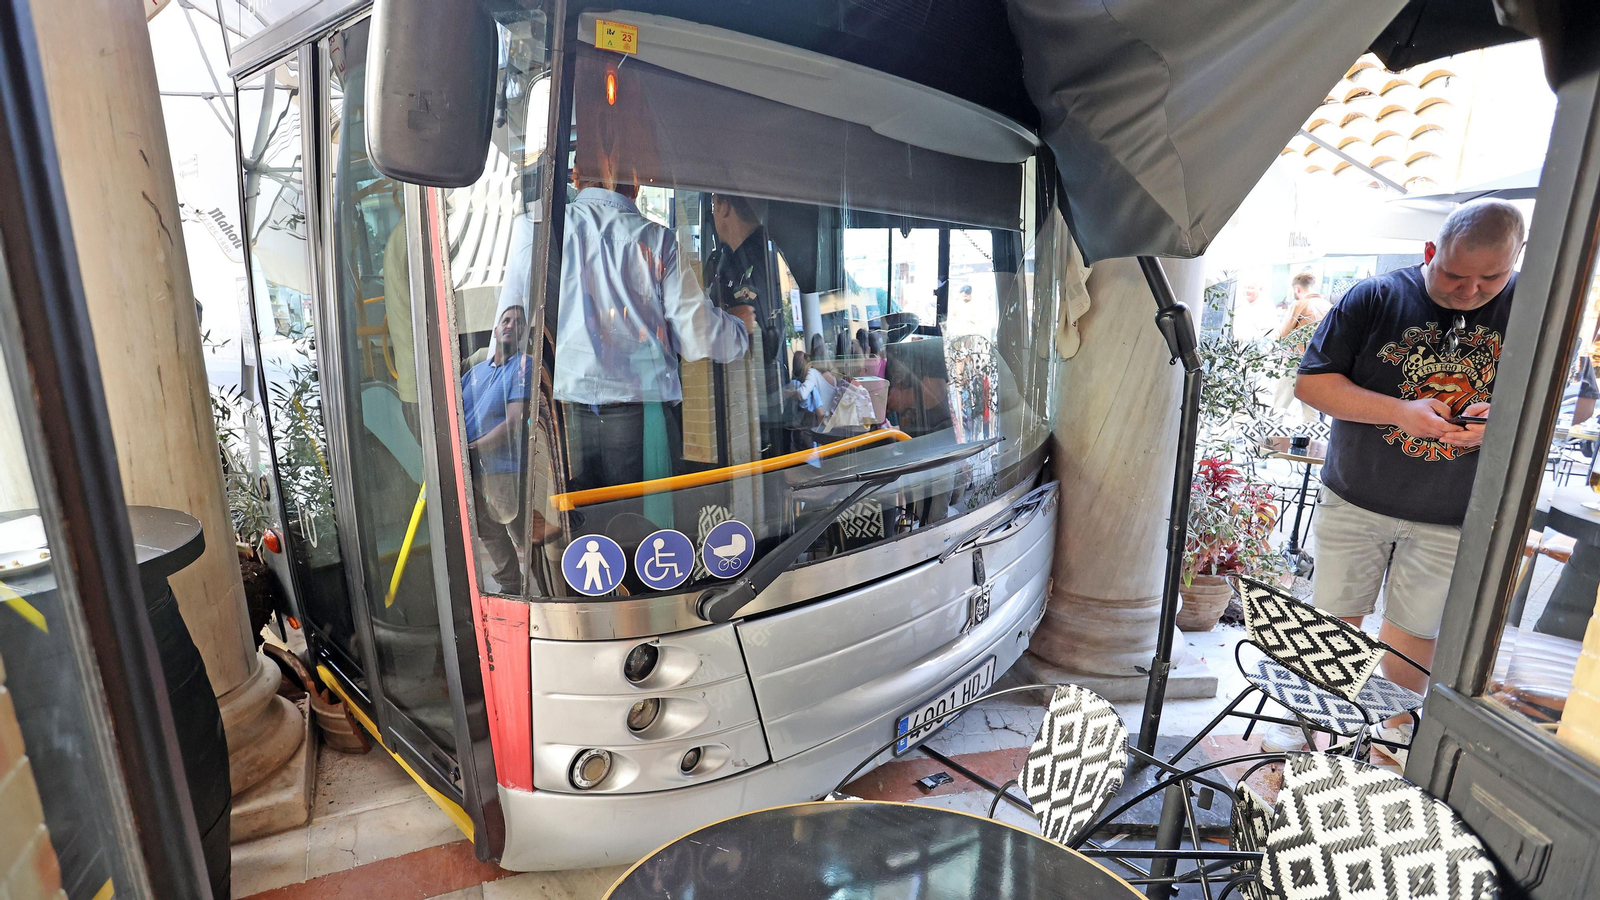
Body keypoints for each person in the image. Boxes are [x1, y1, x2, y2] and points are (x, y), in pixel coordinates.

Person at [1279, 199, 1525, 760]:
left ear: (1516, 260)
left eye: (1491, 279)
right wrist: (1400, 412)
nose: (1471, 292)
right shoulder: (1375, 297)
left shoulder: (1533, 311)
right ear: (1430, 251)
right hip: (1355, 498)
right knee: (1333, 623)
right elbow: (1312, 384)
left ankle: (1390, 741)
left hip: (1453, 512)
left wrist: (1500, 423)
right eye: (1455, 275)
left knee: (1416, 633)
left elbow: (1550, 406)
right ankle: (1308, 730)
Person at [555, 167, 754, 513]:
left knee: (581, 526)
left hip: (565, 417)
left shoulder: (544, 231)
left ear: (576, 177)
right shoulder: (656, 240)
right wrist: (741, 329)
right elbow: (696, 334)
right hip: (639, 419)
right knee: (643, 527)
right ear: (635, 182)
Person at [461, 296, 537, 595]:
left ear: (523, 333)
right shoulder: (475, 372)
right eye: (506, 320)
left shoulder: (524, 366)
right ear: (495, 330)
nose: (511, 326)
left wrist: (473, 447)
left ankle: (548, 586)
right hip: (470, 465)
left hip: (504, 468)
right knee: (488, 531)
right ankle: (510, 586)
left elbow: (514, 422)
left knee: (523, 532)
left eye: (518, 323)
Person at [706, 193, 785, 455]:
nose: (712, 214)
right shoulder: (735, 258)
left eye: (713, 206)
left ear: (724, 206)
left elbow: (759, 336)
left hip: (749, 407)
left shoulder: (753, 261)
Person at [1272, 271, 1332, 420]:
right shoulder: (1329, 306)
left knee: (1279, 407)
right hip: (1319, 364)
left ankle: (1271, 435)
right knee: (1312, 413)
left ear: (1297, 289)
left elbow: (1283, 334)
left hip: (1296, 362)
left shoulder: (1299, 304)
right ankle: (1312, 436)